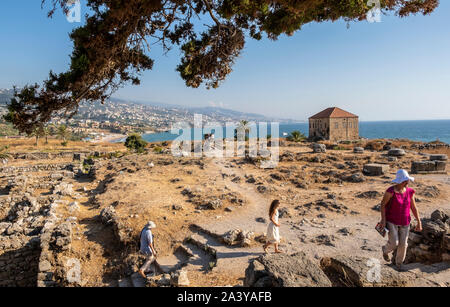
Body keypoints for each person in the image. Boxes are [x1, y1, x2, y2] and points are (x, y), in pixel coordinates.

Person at [379, 169, 422, 270]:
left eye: (407, 180)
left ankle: (398, 265)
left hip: (405, 221)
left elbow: (414, 207)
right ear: (400, 181)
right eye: (405, 180)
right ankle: (385, 250)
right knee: (394, 243)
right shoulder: (390, 191)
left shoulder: (410, 192)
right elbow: (383, 205)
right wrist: (383, 220)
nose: (407, 182)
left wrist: (419, 221)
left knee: (404, 245)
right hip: (391, 221)